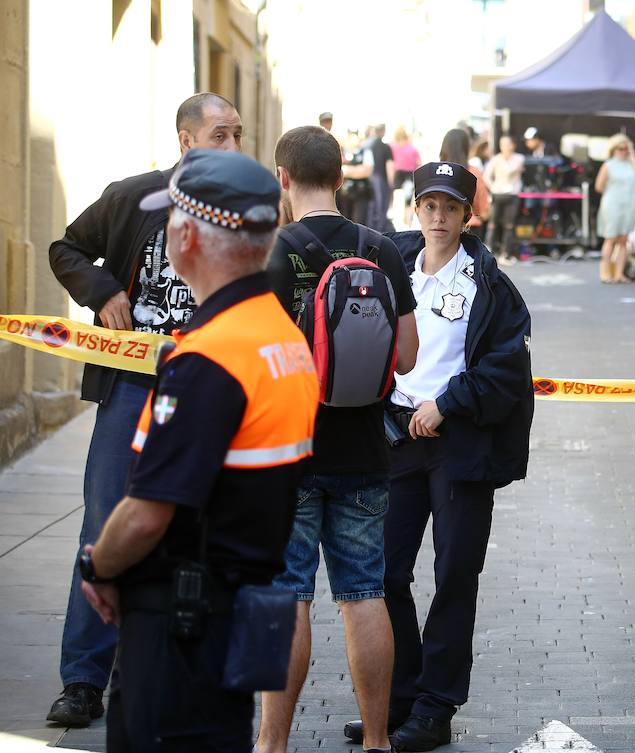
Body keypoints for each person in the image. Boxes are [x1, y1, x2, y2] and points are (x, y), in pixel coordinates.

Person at [78, 148, 318, 751]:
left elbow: (147, 512)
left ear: (187, 238)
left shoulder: (211, 358)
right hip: (240, 606)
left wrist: (99, 567)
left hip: (181, 625)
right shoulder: (283, 341)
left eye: (172, 220)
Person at [45, 91, 242, 728]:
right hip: (130, 388)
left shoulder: (241, 213)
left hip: (204, 395)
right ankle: (83, 679)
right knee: (105, 527)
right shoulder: (134, 198)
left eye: (238, 135)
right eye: (220, 134)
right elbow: (66, 249)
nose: (233, 146)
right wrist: (103, 292)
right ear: (187, 141)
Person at [341, 162, 533, 751]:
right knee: (384, 573)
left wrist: (447, 404)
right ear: (416, 209)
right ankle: (400, 697)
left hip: (460, 447)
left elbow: (507, 369)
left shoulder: (490, 285)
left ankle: (435, 707)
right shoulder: (390, 267)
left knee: (453, 574)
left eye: (451, 207)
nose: (439, 217)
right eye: (430, 206)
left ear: (468, 214)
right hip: (397, 441)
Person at [256, 126, 421, 753]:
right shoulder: (382, 250)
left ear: (283, 178)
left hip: (290, 452)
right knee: (364, 594)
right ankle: (378, 741)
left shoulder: (270, 252)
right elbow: (406, 357)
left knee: (288, 597)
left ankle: (272, 743)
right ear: (340, 177)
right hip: (366, 451)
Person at [595, 134, 635, 284]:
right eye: (620, 148)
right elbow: (599, 186)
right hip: (613, 205)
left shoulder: (631, 165)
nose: (623, 151)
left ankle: (619, 273)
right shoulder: (608, 165)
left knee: (624, 240)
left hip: (628, 205)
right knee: (610, 239)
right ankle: (605, 273)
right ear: (614, 149)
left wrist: (633, 157)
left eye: (626, 148)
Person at [439, 129, 490, 238]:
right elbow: (484, 210)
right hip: (469, 229)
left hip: (440, 229)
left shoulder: (435, 173)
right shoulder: (473, 172)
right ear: (466, 148)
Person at [483, 135, 524, 264]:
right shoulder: (495, 159)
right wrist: (493, 187)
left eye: (507, 144)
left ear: (513, 145)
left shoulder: (519, 158)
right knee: (493, 223)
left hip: (512, 194)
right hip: (498, 193)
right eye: (502, 144)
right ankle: (487, 252)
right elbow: (486, 176)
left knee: (509, 225)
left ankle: (505, 254)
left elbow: (511, 171)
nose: (505, 147)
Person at [339, 130, 375, 225]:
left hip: (361, 192)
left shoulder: (365, 152)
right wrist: (356, 170)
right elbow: (340, 170)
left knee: (359, 221)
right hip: (344, 194)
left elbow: (366, 171)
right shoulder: (342, 152)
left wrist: (348, 171)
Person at [366, 124, 396, 232]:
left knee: (372, 208)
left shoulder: (368, 145)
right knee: (382, 208)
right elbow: (389, 165)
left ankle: (371, 231)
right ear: (383, 131)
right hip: (382, 179)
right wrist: (391, 183)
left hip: (370, 179)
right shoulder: (385, 147)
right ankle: (380, 233)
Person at [392, 126, 421, 227]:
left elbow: (391, 163)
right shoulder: (412, 148)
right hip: (410, 174)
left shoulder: (393, 147)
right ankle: (408, 222)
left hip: (398, 174)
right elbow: (419, 163)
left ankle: (398, 220)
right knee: (409, 200)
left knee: (397, 197)